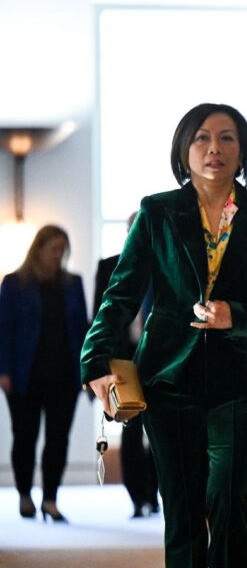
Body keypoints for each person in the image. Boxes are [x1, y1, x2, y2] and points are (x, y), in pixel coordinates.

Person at [82, 103, 247, 568]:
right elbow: (121, 295)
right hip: (168, 381)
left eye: (227, 138)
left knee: (229, 504)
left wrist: (237, 315)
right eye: (202, 138)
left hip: (240, 382)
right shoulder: (157, 213)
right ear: (184, 149)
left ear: (242, 151)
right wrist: (97, 360)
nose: (214, 148)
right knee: (181, 512)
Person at [0, 224, 89, 523]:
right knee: (24, 437)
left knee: (58, 439)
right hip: (25, 375)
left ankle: (50, 498)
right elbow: (4, 329)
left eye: (63, 249)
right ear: (38, 249)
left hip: (64, 375)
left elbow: (83, 330)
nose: (58, 255)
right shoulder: (14, 284)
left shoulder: (72, 283)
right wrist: (4, 370)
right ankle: (25, 494)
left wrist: (87, 371)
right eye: (53, 248)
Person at [93, 213, 159, 519]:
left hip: (159, 355)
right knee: (130, 428)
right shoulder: (110, 267)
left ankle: (157, 492)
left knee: (161, 428)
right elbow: (99, 317)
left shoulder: (166, 265)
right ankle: (138, 496)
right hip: (124, 356)